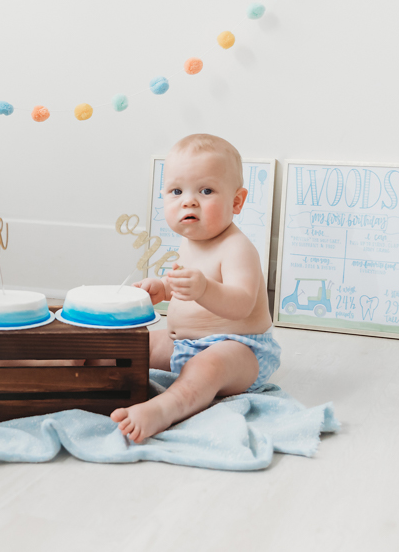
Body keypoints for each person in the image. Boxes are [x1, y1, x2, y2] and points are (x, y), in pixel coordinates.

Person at [111, 134, 281, 442]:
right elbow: (182, 285)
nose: (188, 201)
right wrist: (162, 288)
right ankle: (87, 364)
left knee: (207, 367)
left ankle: (164, 409)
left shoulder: (236, 247)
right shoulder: (189, 242)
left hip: (239, 349)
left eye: (206, 190)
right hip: (182, 344)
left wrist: (203, 289)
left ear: (237, 201)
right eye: (176, 191)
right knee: (133, 344)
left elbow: (241, 303)